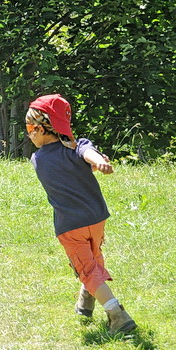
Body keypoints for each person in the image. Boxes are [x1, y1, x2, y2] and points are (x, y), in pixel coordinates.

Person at [25, 94, 137, 335]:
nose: (28, 133)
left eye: (30, 128)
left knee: (87, 268)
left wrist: (97, 161)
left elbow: (87, 156)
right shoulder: (77, 147)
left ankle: (117, 315)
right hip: (96, 217)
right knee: (93, 259)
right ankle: (86, 302)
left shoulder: (38, 159)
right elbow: (87, 154)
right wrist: (99, 162)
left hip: (70, 225)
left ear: (43, 129)